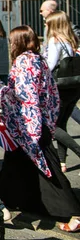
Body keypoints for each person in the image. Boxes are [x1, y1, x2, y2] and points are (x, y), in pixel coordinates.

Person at [0, 25, 80, 232]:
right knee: (15, 163)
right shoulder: (37, 59)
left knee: (48, 167)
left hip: (28, 124)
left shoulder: (24, 61)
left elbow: (29, 99)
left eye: (12, 40)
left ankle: (75, 212)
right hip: (38, 121)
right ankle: (13, 200)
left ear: (18, 42)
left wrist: (32, 130)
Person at [44, 11, 80, 173]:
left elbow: (51, 64)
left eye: (47, 22)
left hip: (59, 87)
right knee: (62, 123)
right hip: (74, 87)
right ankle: (62, 162)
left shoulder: (55, 40)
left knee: (51, 125)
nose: (45, 24)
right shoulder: (71, 40)